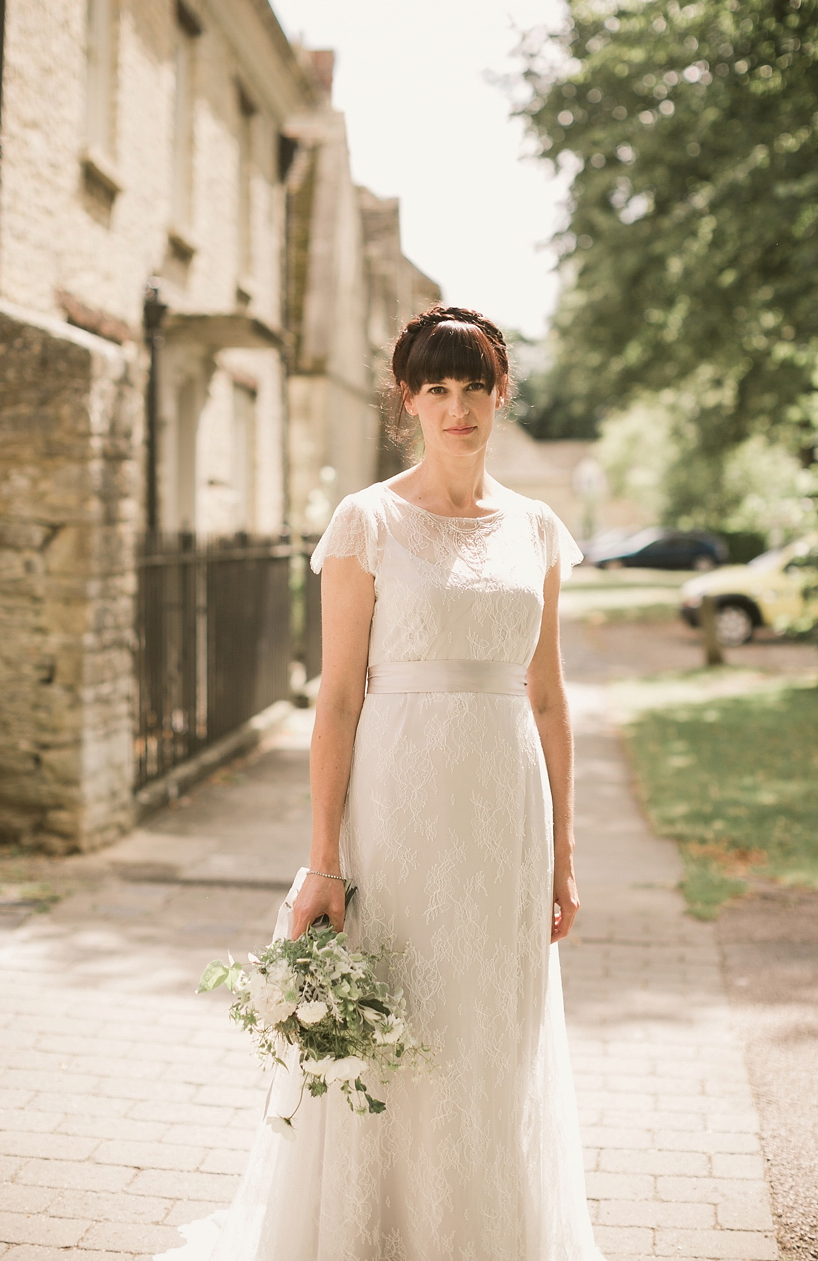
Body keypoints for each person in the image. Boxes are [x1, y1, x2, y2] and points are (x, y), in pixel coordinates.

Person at [208, 305, 604, 1261]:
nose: (458, 407)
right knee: (401, 1020)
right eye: (438, 389)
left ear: (500, 395)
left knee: (489, 1038)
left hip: (506, 814)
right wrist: (322, 863)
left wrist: (563, 856)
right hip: (395, 812)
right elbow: (337, 699)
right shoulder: (367, 520)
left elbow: (548, 700)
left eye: (475, 387)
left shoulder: (539, 529)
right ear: (409, 401)